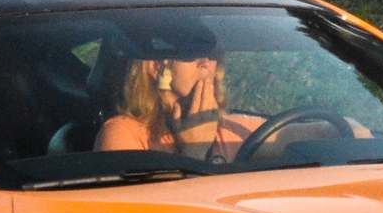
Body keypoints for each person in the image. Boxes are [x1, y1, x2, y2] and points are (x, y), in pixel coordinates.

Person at [95, 34, 264, 161]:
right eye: (190, 54)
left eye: (212, 54)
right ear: (156, 67)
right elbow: (139, 207)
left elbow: (287, 136)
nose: (205, 62)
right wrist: (194, 153)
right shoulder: (124, 133)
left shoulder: (232, 127)